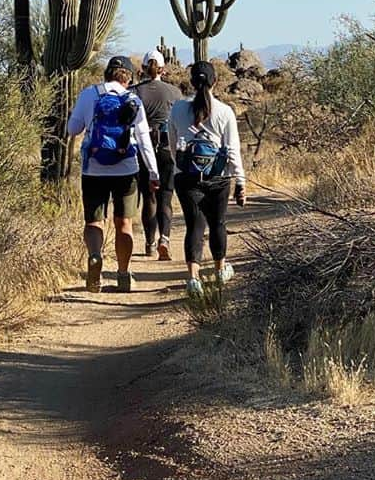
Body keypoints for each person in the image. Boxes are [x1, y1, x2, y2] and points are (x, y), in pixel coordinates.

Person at [67, 55, 159, 293]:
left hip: (94, 168)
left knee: (94, 221)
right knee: (124, 223)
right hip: (126, 169)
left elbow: (72, 129)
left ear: (107, 74)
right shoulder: (132, 99)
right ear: (128, 78)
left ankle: (95, 256)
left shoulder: (89, 94)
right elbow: (144, 139)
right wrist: (153, 171)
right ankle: (123, 273)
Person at [168, 60, 246, 297]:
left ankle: (193, 279)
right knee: (218, 223)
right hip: (218, 177)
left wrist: (179, 166)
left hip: (187, 177)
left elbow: (172, 144)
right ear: (216, 81)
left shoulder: (178, 109)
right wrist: (240, 181)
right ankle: (221, 270)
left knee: (194, 225)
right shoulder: (224, 111)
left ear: (191, 82)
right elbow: (232, 150)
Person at [130, 49, 180, 259]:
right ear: (162, 69)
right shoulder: (174, 92)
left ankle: (149, 243)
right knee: (166, 197)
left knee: (148, 197)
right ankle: (164, 239)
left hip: (144, 149)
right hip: (168, 149)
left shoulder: (134, 92)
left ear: (143, 68)